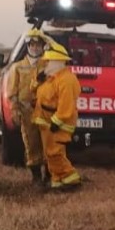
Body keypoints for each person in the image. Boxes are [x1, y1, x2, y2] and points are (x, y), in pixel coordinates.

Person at [32, 41, 83, 192]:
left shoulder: (66, 80)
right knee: (50, 154)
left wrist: (57, 121)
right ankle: (57, 181)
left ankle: (71, 178)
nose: (46, 63)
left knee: (55, 153)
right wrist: (37, 81)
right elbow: (36, 93)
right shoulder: (51, 77)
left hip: (58, 125)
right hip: (46, 123)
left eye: (48, 61)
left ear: (58, 62)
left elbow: (66, 105)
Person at [7, 28, 52, 186]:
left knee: (48, 143)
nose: (35, 47)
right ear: (27, 46)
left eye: (38, 44)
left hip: (45, 111)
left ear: (42, 45)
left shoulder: (47, 65)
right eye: (32, 44)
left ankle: (48, 175)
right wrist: (14, 110)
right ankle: (36, 177)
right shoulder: (18, 67)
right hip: (26, 112)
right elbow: (12, 92)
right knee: (31, 143)